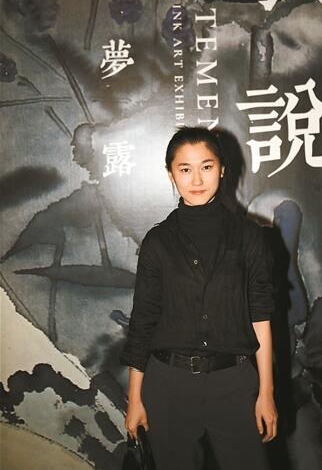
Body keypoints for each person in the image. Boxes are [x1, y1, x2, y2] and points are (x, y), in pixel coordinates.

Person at [120, 126, 278, 470]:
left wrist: (266, 392)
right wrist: (135, 399)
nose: (196, 179)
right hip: (168, 385)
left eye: (206, 166)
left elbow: (261, 317)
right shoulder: (158, 242)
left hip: (234, 383)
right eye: (185, 169)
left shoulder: (250, 237)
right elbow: (143, 322)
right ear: (170, 174)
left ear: (222, 169)